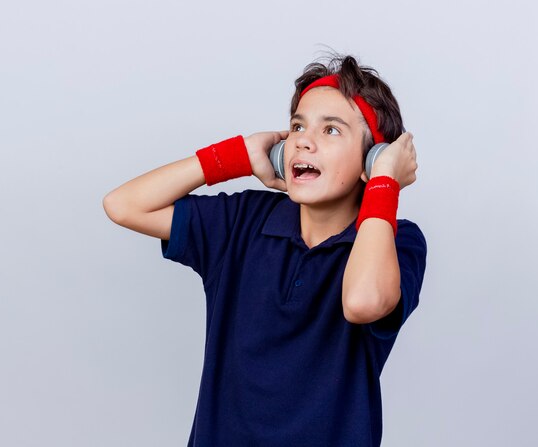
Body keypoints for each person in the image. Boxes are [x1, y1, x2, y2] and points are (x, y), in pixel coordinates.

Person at [103, 51, 427, 447]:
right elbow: (123, 205)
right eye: (297, 126)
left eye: (331, 130)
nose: (304, 141)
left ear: (373, 160)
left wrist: (384, 185)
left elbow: (362, 302)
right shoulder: (243, 220)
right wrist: (234, 156)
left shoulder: (396, 241)